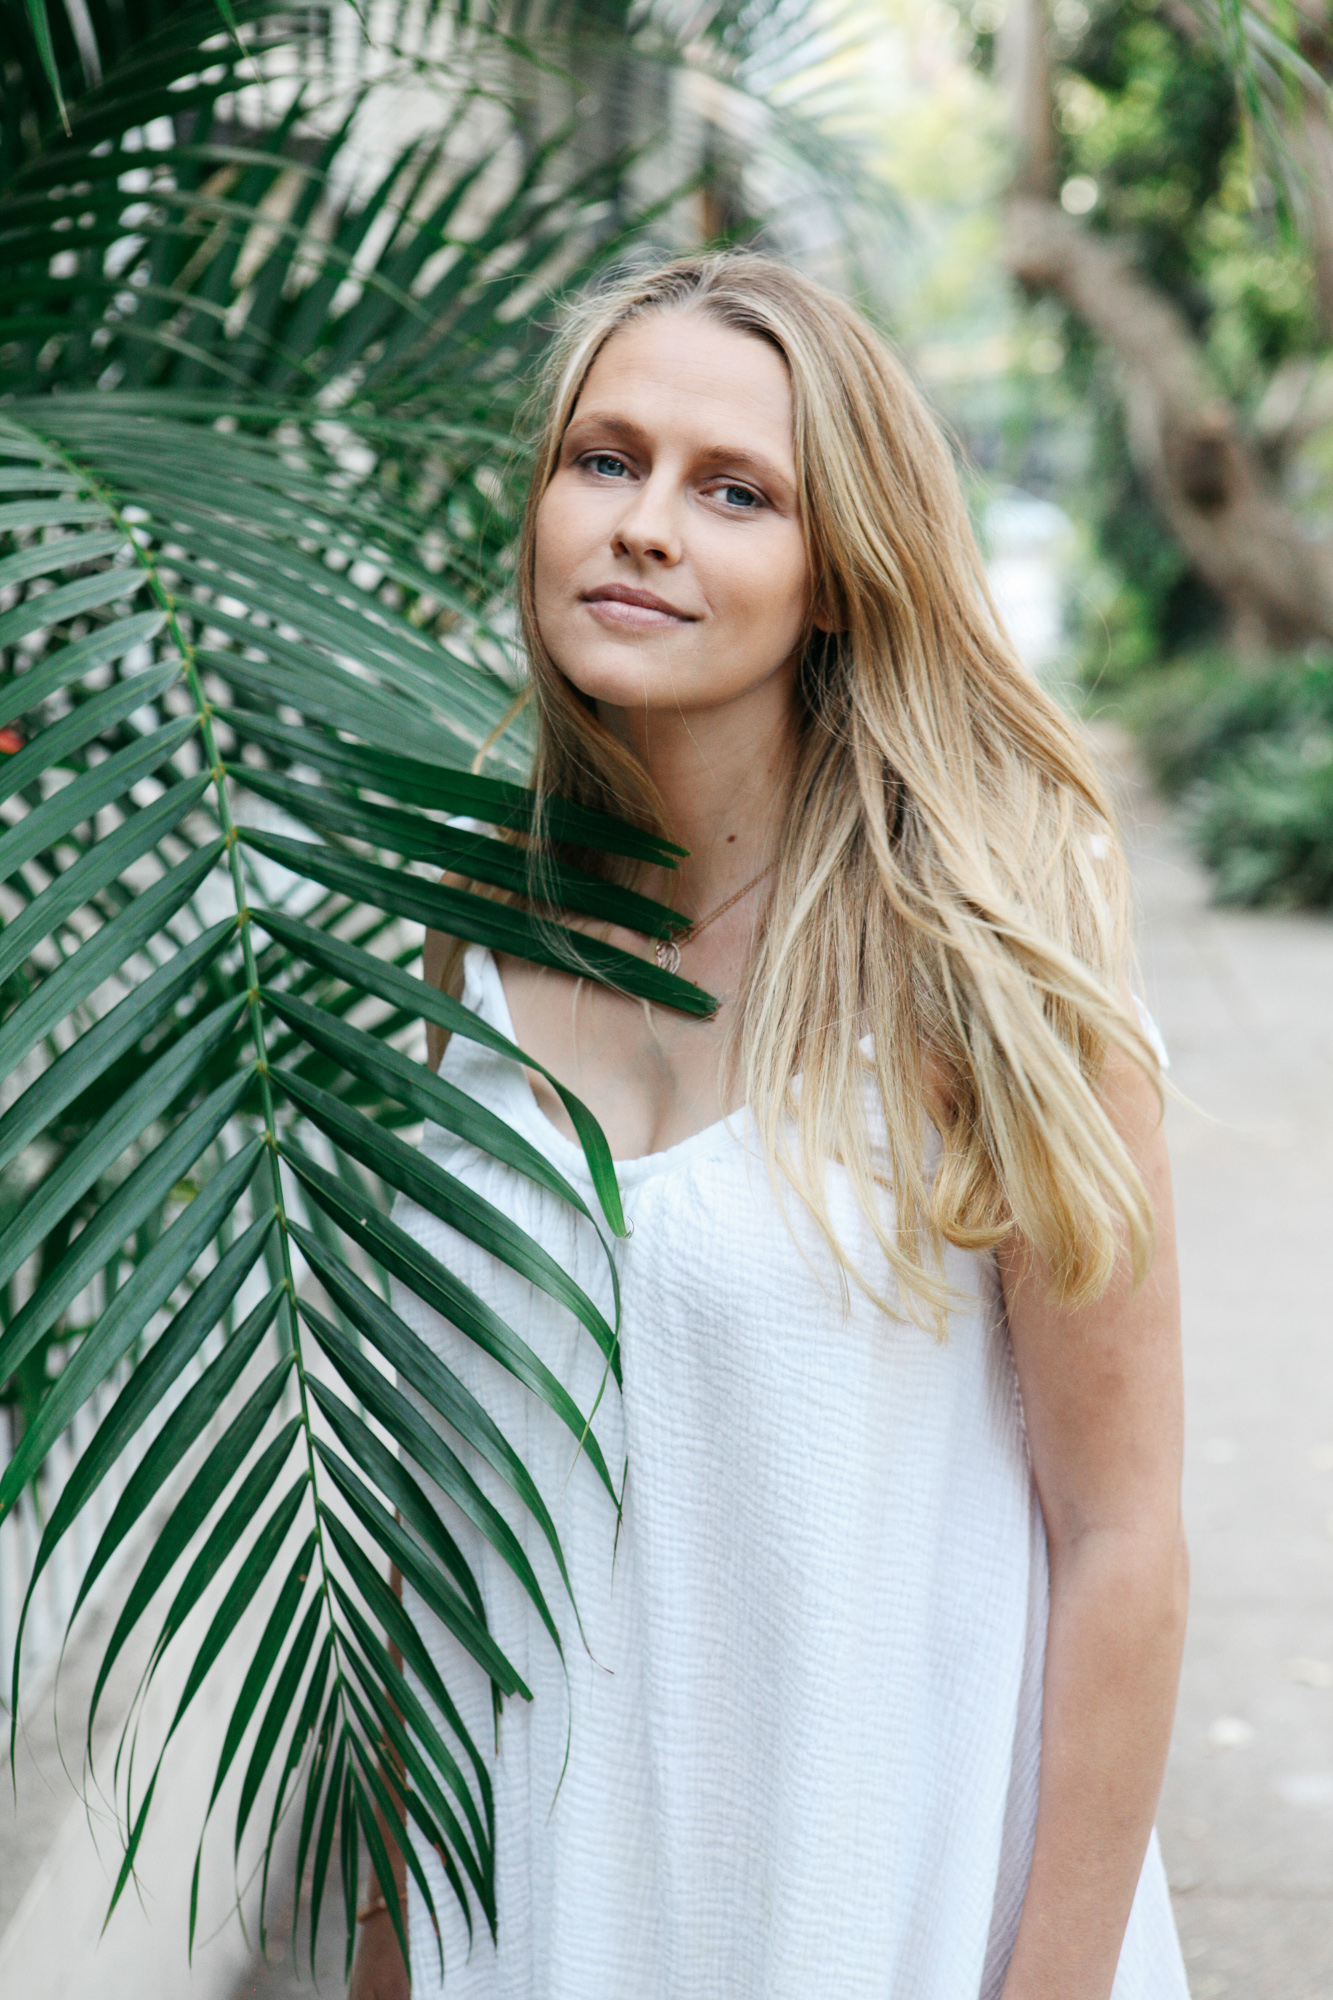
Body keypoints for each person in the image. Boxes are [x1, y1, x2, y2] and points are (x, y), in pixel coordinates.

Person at [347, 252, 1189, 2000]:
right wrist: (383, 1942)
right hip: (531, 1930)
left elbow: (1120, 1538)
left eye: (734, 491)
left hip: (877, 1923)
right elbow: (427, 1525)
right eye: (603, 460)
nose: (644, 526)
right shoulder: (464, 939)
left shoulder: (985, 963)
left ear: (836, 574)